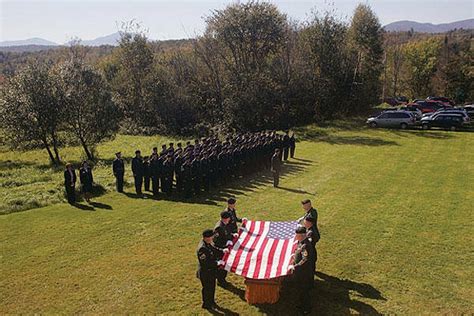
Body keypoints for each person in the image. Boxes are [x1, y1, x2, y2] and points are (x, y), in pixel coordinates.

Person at [288, 226, 315, 315]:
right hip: (301, 272)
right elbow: (298, 250)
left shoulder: (305, 245)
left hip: (304, 273)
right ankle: (301, 304)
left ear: (302, 235)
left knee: (304, 291)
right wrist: (294, 255)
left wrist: (295, 266)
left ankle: (306, 308)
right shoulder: (301, 242)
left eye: (297, 235)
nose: (296, 237)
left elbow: (304, 259)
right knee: (300, 290)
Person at [197, 229, 225, 310]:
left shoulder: (208, 244)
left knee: (212, 287)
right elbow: (205, 263)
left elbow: (214, 250)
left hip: (211, 272)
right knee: (207, 289)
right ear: (207, 238)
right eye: (211, 237)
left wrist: (222, 251)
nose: (212, 238)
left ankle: (211, 301)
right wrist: (217, 263)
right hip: (205, 273)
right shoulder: (202, 249)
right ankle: (206, 304)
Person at [213, 211, 233, 286]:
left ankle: (223, 279)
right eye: (228, 218)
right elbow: (216, 241)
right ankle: (220, 280)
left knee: (225, 264)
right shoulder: (218, 228)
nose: (229, 219)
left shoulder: (225, 224)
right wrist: (224, 245)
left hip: (224, 248)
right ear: (225, 219)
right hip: (220, 250)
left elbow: (227, 233)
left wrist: (231, 236)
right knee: (221, 266)